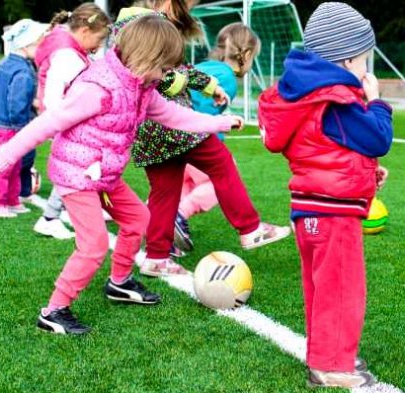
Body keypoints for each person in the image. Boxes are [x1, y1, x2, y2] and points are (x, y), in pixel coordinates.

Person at [0, 15, 243, 335]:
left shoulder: (142, 87)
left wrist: (219, 123)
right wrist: (7, 154)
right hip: (77, 176)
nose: (168, 76)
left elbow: (174, 116)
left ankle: (119, 283)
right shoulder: (97, 88)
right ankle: (53, 311)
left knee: (138, 219)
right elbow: (50, 122)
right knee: (93, 245)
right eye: (165, 68)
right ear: (146, 58)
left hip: (104, 176)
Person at [258, 2, 393, 388]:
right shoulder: (336, 99)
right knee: (341, 289)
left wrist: (366, 174)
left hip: (310, 208)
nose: (367, 69)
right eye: (365, 60)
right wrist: (377, 101)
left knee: (321, 288)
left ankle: (326, 353)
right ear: (347, 58)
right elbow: (378, 137)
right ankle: (332, 366)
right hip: (333, 215)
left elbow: (327, 148)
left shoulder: (307, 95)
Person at [115, 4, 291, 278]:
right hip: (173, 120)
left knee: (165, 190)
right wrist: (190, 85)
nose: (188, 9)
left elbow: (171, 69)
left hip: (148, 128)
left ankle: (157, 257)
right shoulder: (152, 24)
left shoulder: (125, 27)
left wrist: (209, 86)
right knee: (222, 163)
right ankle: (250, 228)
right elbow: (165, 74)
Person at [171, 23, 263, 254]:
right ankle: (180, 215)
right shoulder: (228, 79)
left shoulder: (204, 66)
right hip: (194, 139)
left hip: (172, 135)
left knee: (184, 184)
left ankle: (163, 229)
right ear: (248, 54)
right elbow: (201, 107)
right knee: (219, 180)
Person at [31, 2, 112, 240]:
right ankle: (49, 217)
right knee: (75, 167)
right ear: (85, 32)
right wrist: (63, 122)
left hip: (65, 119)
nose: (98, 48)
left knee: (84, 165)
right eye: (99, 39)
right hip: (66, 121)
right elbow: (54, 94)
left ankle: (81, 209)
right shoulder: (68, 55)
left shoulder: (68, 47)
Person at [0, 19, 49, 218]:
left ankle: (12, 200)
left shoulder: (5, 63)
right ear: (27, 45)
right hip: (11, 125)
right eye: (39, 44)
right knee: (7, 164)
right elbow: (16, 101)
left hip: (1, 121)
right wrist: (21, 127)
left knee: (15, 163)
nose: (42, 49)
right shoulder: (23, 71)